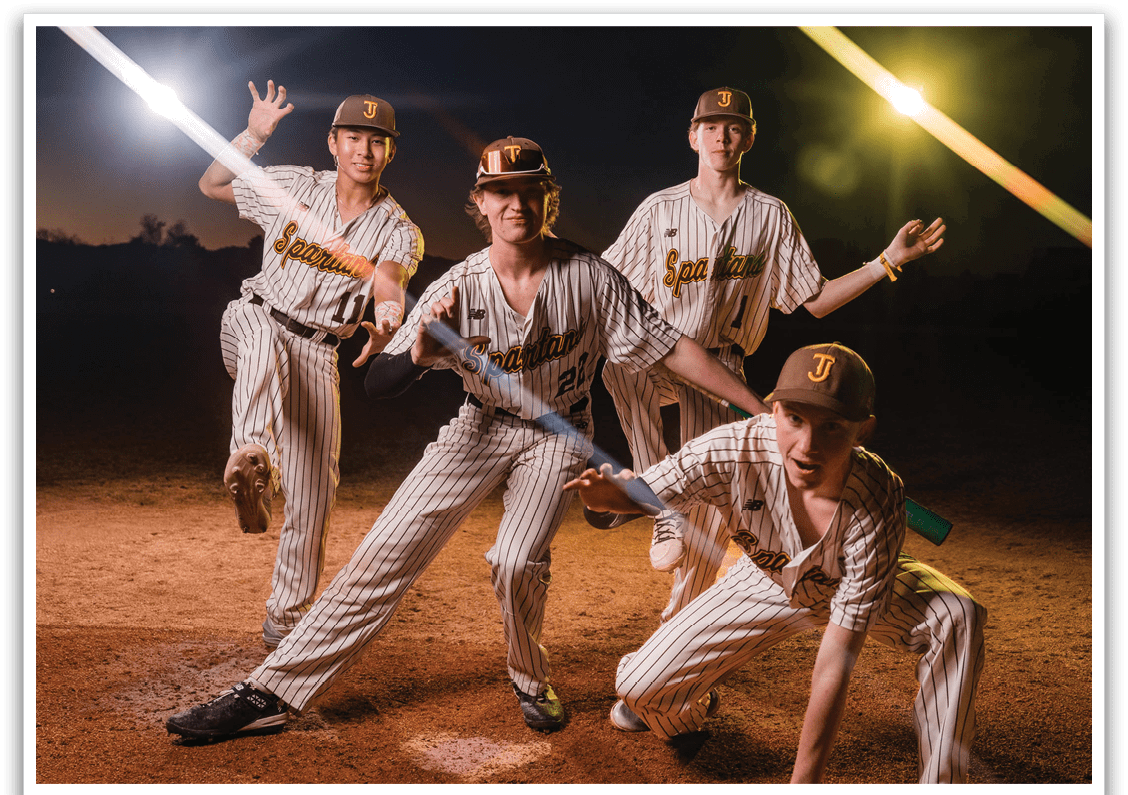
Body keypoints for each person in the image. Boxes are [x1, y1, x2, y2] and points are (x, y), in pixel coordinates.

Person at [166, 136, 769, 738]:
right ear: (480, 202)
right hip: (477, 427)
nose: (515, 204)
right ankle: (272, 691)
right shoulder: (460, 285)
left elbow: (676, 349)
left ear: (547, 199)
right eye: (500, 191)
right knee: (382, 553)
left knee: (515, 560)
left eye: (529, 190)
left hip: (558, 432)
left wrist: (756, 408)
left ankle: (530, 676)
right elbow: (380, 381)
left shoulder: (591, 277)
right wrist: (422, 353)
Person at [593, 86, 946, 623]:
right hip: (660, 351)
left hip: (723, 368)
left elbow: (817, 300)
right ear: (693, 136)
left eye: (733, 127)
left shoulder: (771, 215)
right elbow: (603, 285)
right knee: (622, 360)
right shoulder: (658, 209)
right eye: (711, 126)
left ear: (749, 138)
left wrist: (887, 262)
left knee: (714, 506)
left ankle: (678, 624)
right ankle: (657, 497)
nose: (722, 136)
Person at [564, 343, 986, 784]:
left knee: (957, 615)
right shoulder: (730, 450)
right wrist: (608, 500)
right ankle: (690, 707)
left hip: (854, 580)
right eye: (795, 419)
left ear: (863, 431)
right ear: (773, 410)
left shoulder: (877, 496)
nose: (808, 445)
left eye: (833, 427)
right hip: (766, 578)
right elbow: (641, 492)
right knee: (641, 687)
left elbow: (834, 664)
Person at [199, 81, 424, 649]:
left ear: (390, 151)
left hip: (318, 353)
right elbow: (212, 183)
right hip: (254, 317)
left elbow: (392, 280)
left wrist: (391, 316)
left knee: (314, 494)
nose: (363, 151)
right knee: (260, 346)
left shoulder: (399, 228)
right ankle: (252, 454)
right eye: (353, 136)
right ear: (333, 141)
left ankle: (287, 616)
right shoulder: (294, 183)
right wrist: (254, 134)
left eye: (377, 141)